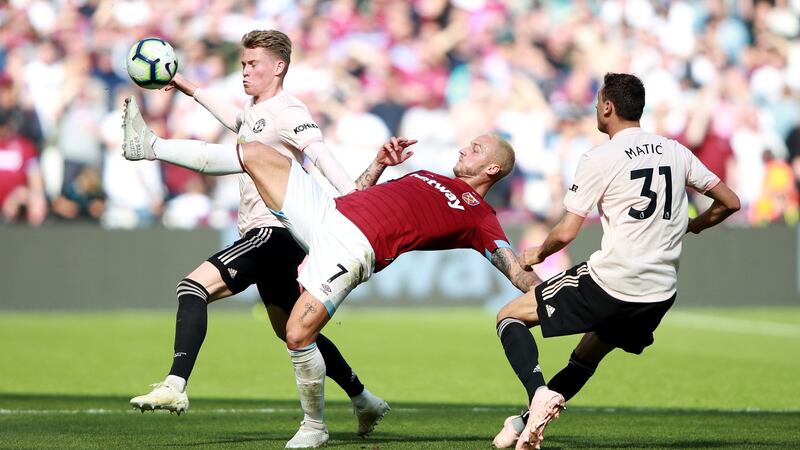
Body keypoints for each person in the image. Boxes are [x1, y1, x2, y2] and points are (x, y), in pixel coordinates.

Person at [123, 89, 538, 447]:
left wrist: (552, 290)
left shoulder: (479, 215)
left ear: (492, 169)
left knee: (296, 332)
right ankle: (149, 146)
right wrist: (379, 164)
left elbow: (513, 269)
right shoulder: (427, 174)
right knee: (256, 153)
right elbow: (359, 192)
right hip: (327, 212)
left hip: (352, 248)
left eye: (477, 148)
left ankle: (315, 426)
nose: (465, 148)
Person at [124, 30, 394, 446]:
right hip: (268, 232)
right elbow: (237, 121)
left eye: (253, 64)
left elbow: (318, 151)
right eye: (244, 63)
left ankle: (175, 383)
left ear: (279, 67)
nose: (245, 71)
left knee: (192, 286)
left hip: (275, 230)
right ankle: (364, 399)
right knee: (295, 330)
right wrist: (186, 86)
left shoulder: (289, 110)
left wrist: (354, 198)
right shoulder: (256, 108)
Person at [490, 73, 741, 450]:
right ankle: (525, 422)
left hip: (613, 281)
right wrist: (692, 226)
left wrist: (535, 254)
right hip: (659, 293)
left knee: (508, 316)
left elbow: (566, 233)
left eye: (596, 103)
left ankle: (537, 392)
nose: (594, 108)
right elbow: (730, 202)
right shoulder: (675, 150)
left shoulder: (600, 156)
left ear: (607, 107)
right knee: (586, 356)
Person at [0, 108, 47, 226]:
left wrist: (29, 196)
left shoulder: (25, 147)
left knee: (36, 202)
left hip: (14, 205)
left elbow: (36, 180)